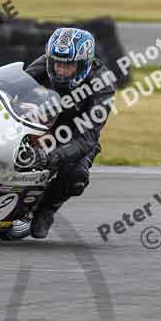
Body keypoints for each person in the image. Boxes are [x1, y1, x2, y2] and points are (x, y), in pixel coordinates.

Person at [24, 27, 116, 238]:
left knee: (76, 175)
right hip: (41, 122)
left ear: (84, 64)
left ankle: (47, 208)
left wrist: (51, 156)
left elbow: (88, 137)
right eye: (57, 63)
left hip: (77, 135)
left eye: (68, 65)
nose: (60, 70)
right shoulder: (45, 65)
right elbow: (15, 84)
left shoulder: (102, 84)